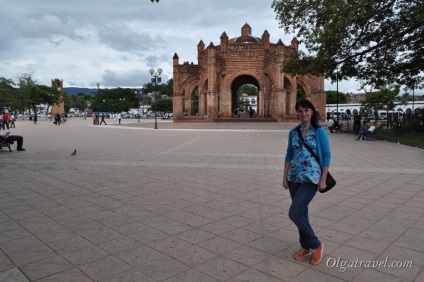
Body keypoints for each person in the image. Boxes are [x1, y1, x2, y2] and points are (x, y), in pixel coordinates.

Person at [283, 99, 330, 265]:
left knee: (294, 213)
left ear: (312, 112)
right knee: (302, 213)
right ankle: (305, 246)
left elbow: (326, 155)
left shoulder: (319, 132)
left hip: (311, 177)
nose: (304, 114)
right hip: (294, 177)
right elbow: (289, 154)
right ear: (297, 113)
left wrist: (323, 179)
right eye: (300, 111)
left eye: (307, 110)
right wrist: (284, 176)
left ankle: (316, 244)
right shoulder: (293, 132)